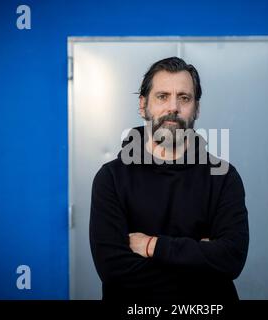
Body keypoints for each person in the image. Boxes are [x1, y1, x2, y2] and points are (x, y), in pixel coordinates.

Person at [90, 57, 249, 301]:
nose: (173, 107)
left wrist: (152, 246)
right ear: (143, 105)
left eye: (184, 98)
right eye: (162, 96)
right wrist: (202, 259)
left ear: (196, 108)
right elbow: (114, 271)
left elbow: (230, 260)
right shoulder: (111, 178)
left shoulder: (224, 176)